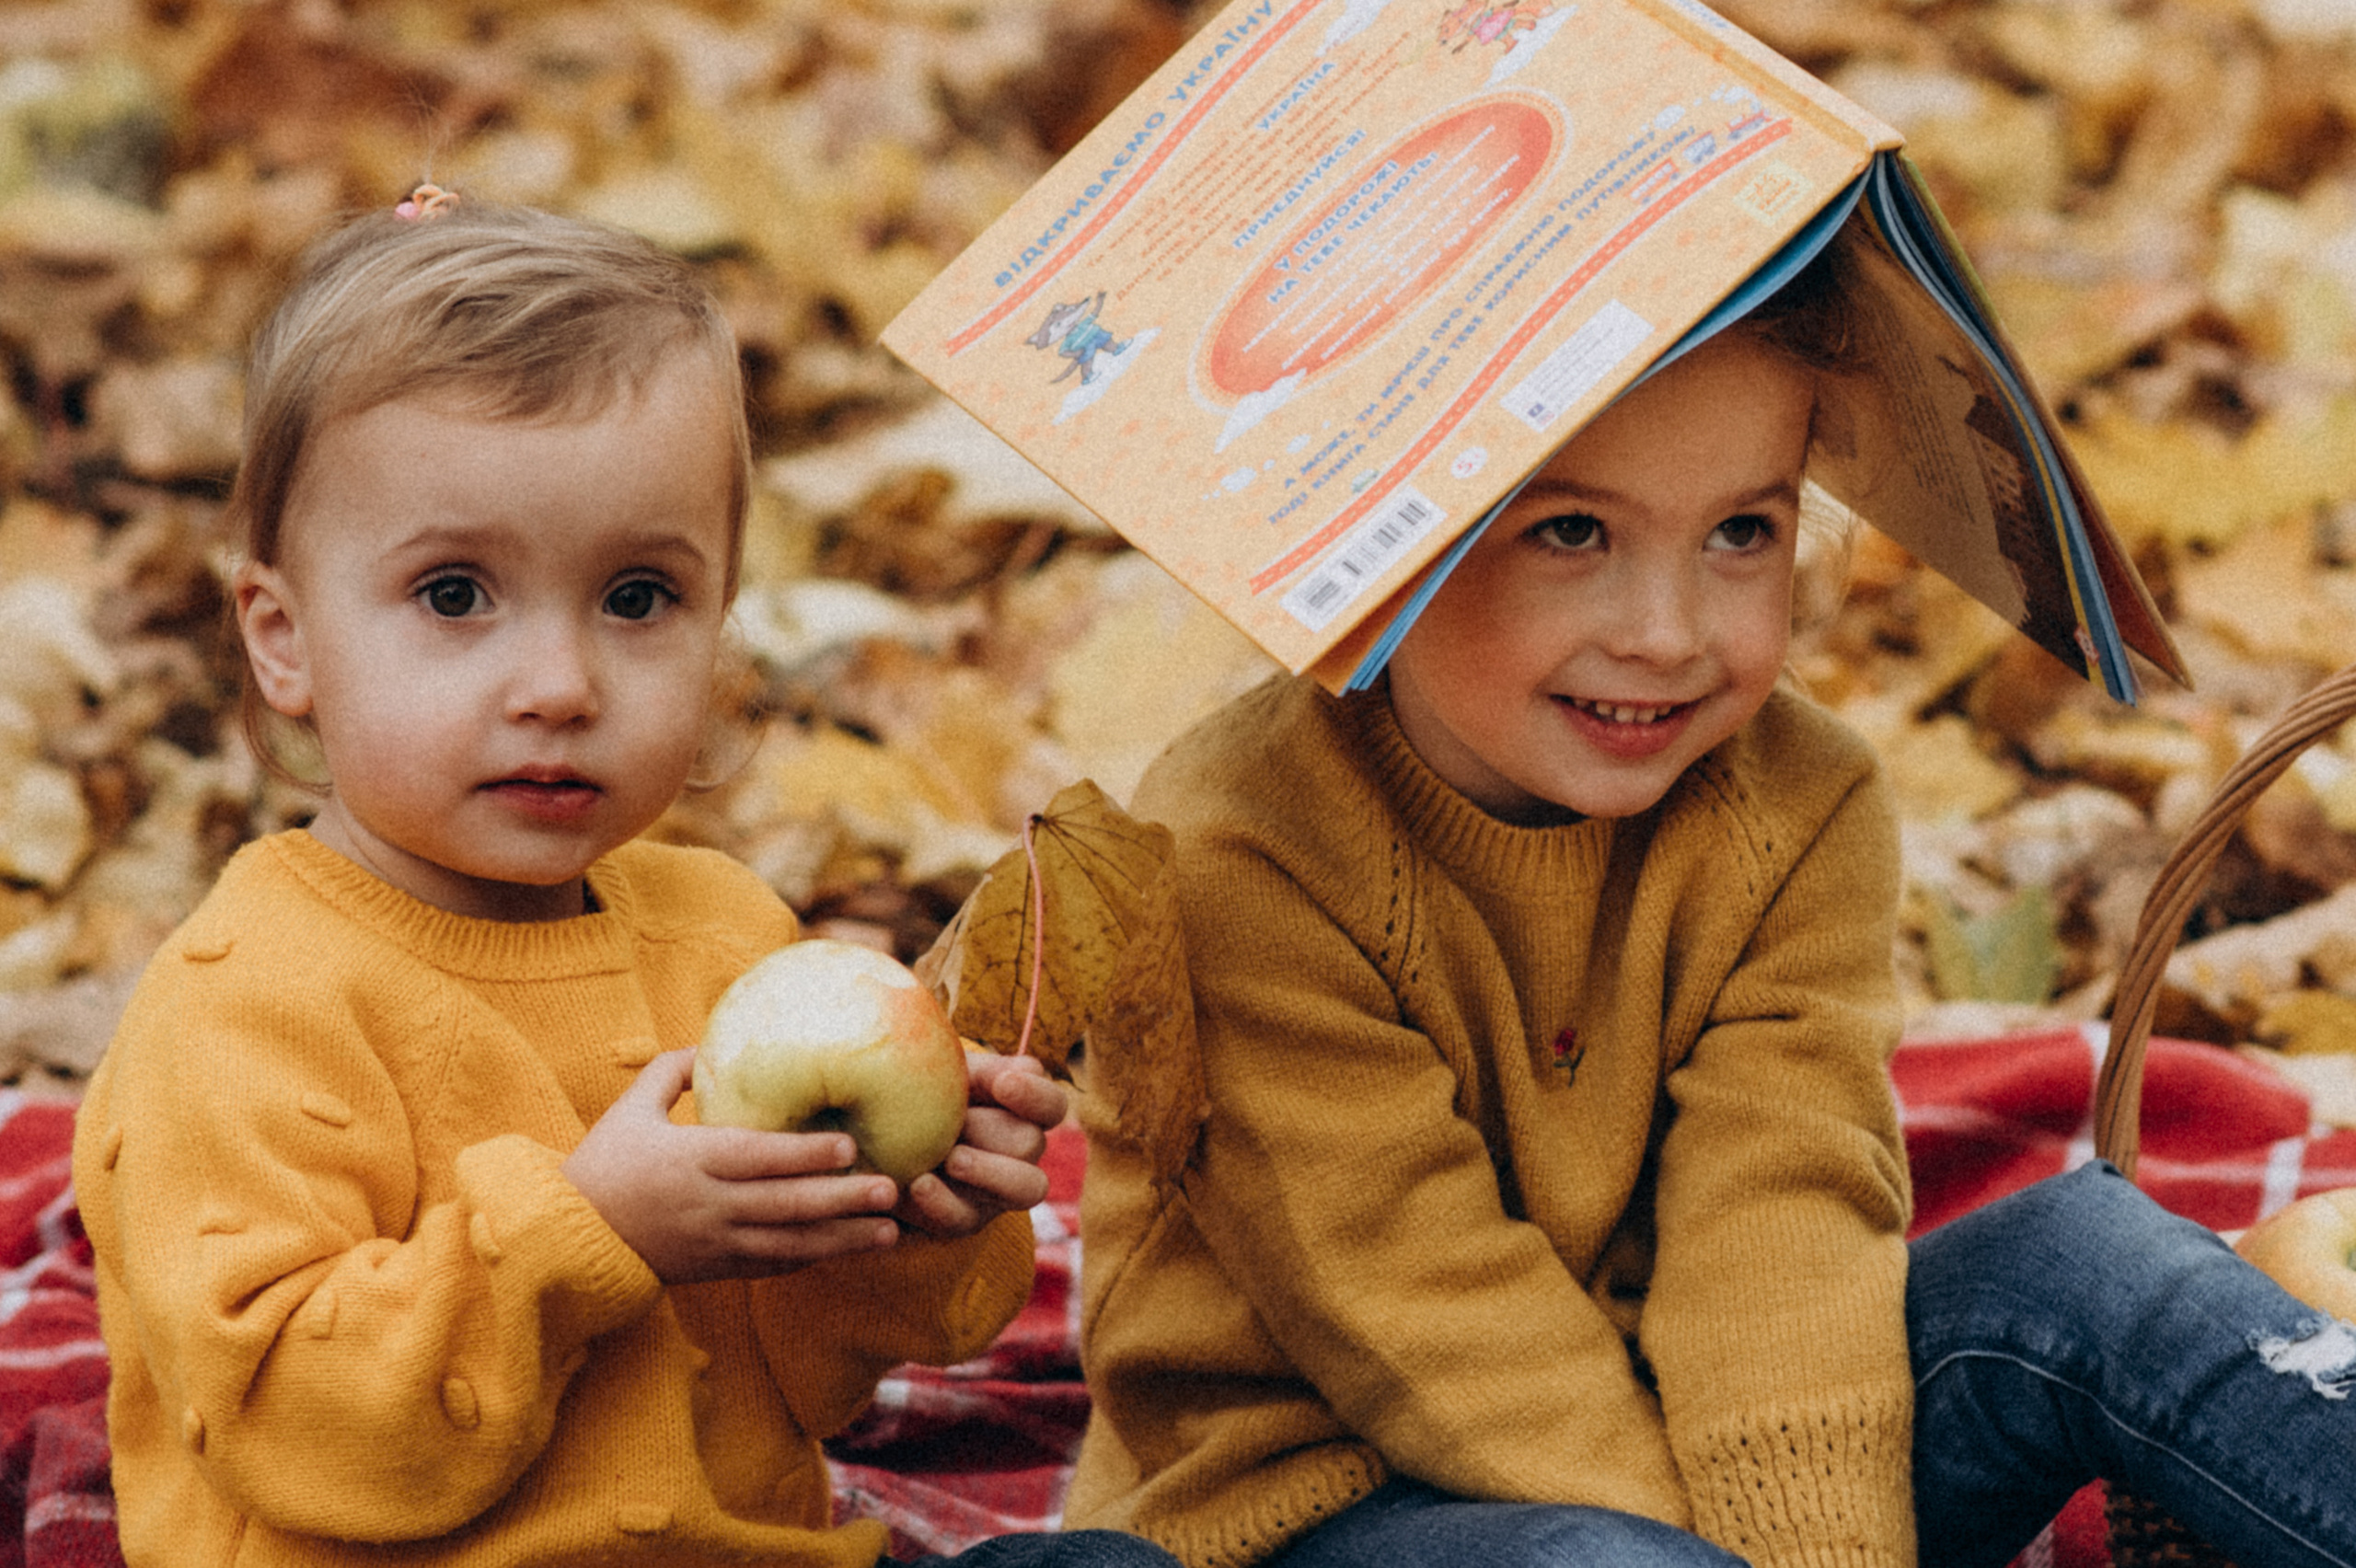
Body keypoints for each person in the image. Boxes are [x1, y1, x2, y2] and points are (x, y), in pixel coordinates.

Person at [1060, 244, 2356, 1568]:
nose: (1670, 632)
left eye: (1744, 530)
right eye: (1571, 532)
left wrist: (1816, 1552)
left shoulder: (1798, 804)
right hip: (1329, 1500)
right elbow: (1417, 1311)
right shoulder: (1236, 850)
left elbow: (1780, 1215)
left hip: (1716, 1451)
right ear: (1380, 530)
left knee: (2091, 1262)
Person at [70, 190, 1181, 1568]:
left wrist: (915, 1212)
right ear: (285, 640)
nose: (560, 686)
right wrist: (586, 1232)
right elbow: (298, 1427)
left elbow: (816, 1376)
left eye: (638, 598)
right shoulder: (240, 1010)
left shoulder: (728, 941)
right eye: (456, 595)